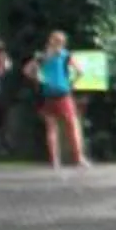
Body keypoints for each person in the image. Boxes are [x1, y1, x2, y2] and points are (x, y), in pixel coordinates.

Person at [34, 30, 89, 171]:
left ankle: (56, 160)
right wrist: (71, 83)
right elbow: (80, 71)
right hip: (62, 93)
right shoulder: (63, 55)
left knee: (53, 128)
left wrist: (40, 78)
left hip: (50, 93)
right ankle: (77, 158)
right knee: (70, 125)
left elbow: (28, 70)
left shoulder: (44, 56)